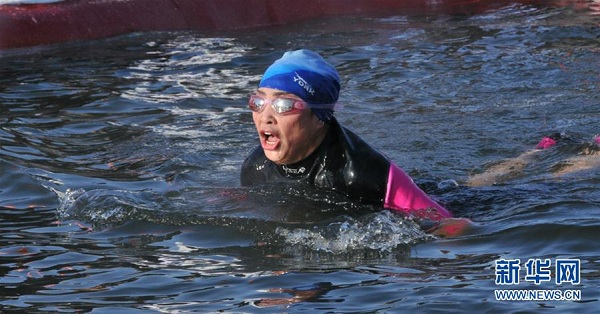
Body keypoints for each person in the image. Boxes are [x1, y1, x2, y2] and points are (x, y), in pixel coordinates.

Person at [240, 49, 456, 226]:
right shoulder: (256, 167)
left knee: (463, 191)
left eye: (283, 105)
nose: (265, 117)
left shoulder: (361, 172)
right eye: (257, 102)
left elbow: (449, 224)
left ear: (318, 117)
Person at [466, 133, 600, 187]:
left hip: (556, 140)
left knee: (521, 161)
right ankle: (547, 184)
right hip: (589, 149)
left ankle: (473, 184)